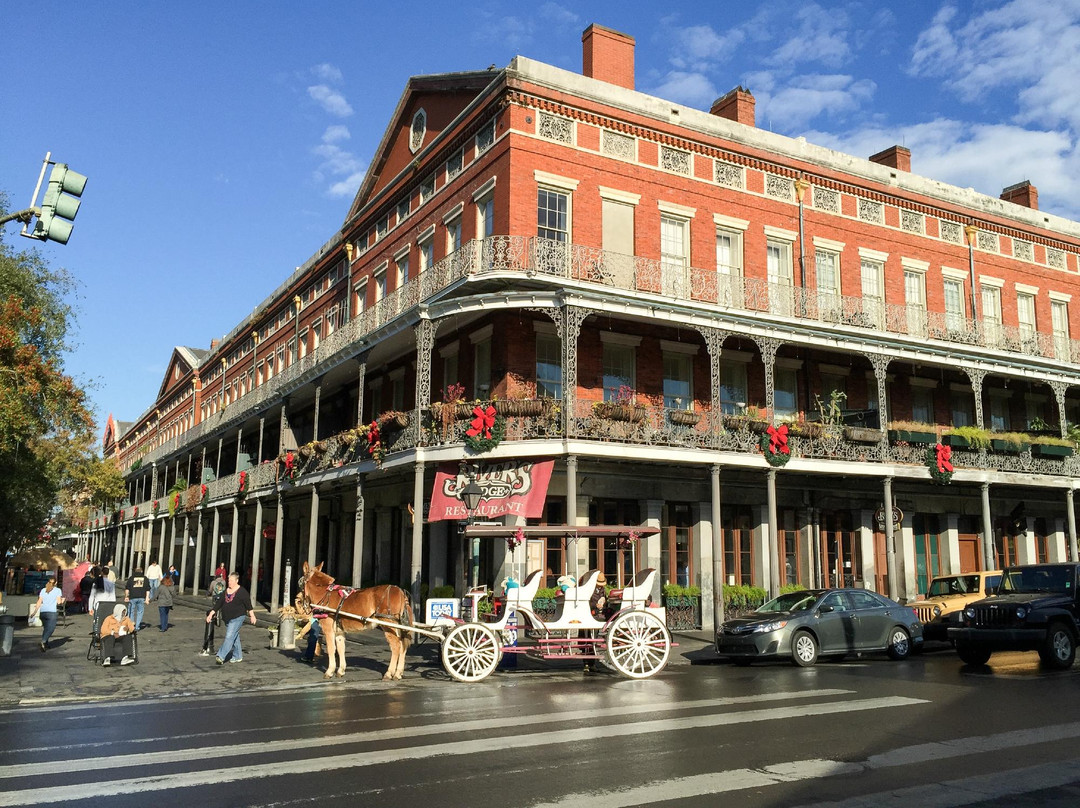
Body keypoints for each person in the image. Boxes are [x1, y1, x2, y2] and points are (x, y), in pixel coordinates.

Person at [207, 572, 256, 664]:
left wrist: (252, 615)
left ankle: (221, 656)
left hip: (237, 617)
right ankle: (238, 656)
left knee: (229, 636)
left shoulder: (242, 592)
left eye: (231, 581)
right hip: (227, 618)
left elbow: (248, 605)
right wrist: (211, 614)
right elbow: (219, 603)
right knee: (234, 636)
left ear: (237, 581)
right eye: (229, 580)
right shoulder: (226, 591)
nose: (229, 582)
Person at [34, 578, 64, 651]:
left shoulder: (43, 590)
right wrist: (63, 600)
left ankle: (46, 644)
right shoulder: (58, 590)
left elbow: (39, 601)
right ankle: (43, 641)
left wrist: (34, 612)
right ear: (56, 583)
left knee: (46, 628)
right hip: (52, 612)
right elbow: (59, 602)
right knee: (51, 628)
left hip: (43, 612)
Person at [200, 575, 227, 656]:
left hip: (215, 596)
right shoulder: (224, 582)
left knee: (214, 608)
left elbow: (211, 589)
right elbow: (224, 588)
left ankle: (215, 617)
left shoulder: (213, 582)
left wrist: (209, 593)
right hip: (221, 596)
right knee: (220, 608)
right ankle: (219, 617)